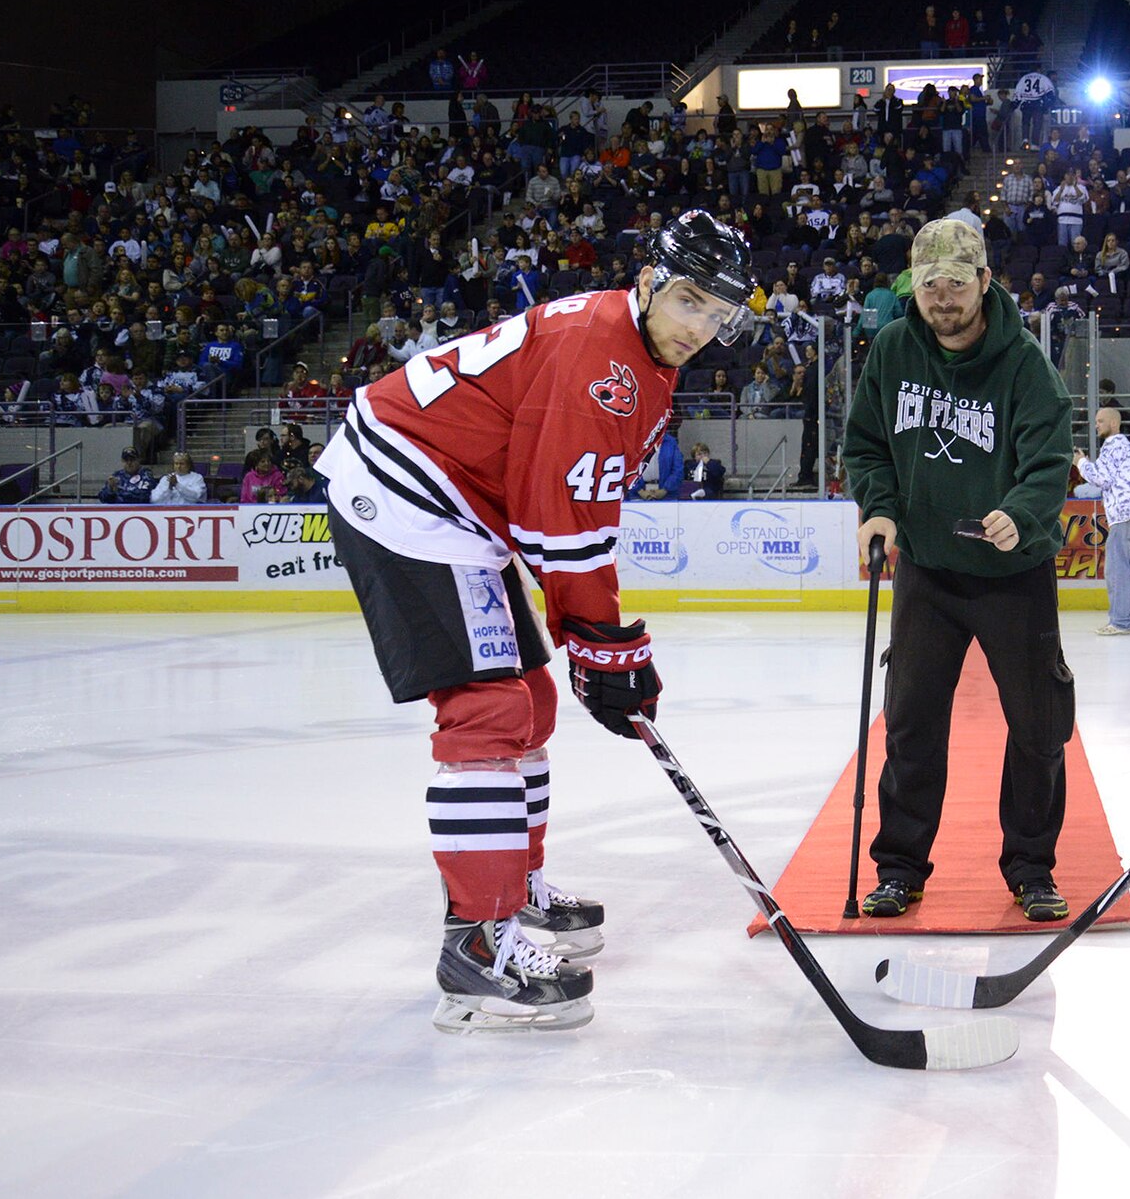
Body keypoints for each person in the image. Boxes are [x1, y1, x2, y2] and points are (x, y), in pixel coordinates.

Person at [314, 208, 756, 1034]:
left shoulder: (636, 351)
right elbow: (561, 523)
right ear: (651, 281)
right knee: (486, 710)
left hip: (457, 504)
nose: (700, 326)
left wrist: (598, 651)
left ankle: (512, 892)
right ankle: (477, 944)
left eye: (718, 313)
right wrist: (606, 645)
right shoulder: (603, 362)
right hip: (407, 490)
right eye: (690, 300)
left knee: (533, 700)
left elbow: (557, 510)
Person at [843, 217, 1077, 923]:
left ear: (984, 281)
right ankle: (899, 867)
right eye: (928, 284)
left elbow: (1049, 458)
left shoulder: (1023, 362)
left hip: (1013, 574)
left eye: (955, 282)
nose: (941, 297)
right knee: (911, 722)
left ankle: (1031, 865)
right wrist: (879, 509)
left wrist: (1020, 510)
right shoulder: (892, 349)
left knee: (1038, 725)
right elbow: (866, 444)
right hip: (927, 569)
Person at [1073, 406, 1130, 636]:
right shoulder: (1124, 445)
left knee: (1116, 571)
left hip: (1123, 515)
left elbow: (1101, 478)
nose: (1096, 425)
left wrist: (1081, 462)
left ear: (1114, 423)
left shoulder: (1113, 444)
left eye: (1101, 421)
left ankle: (1122, 621)